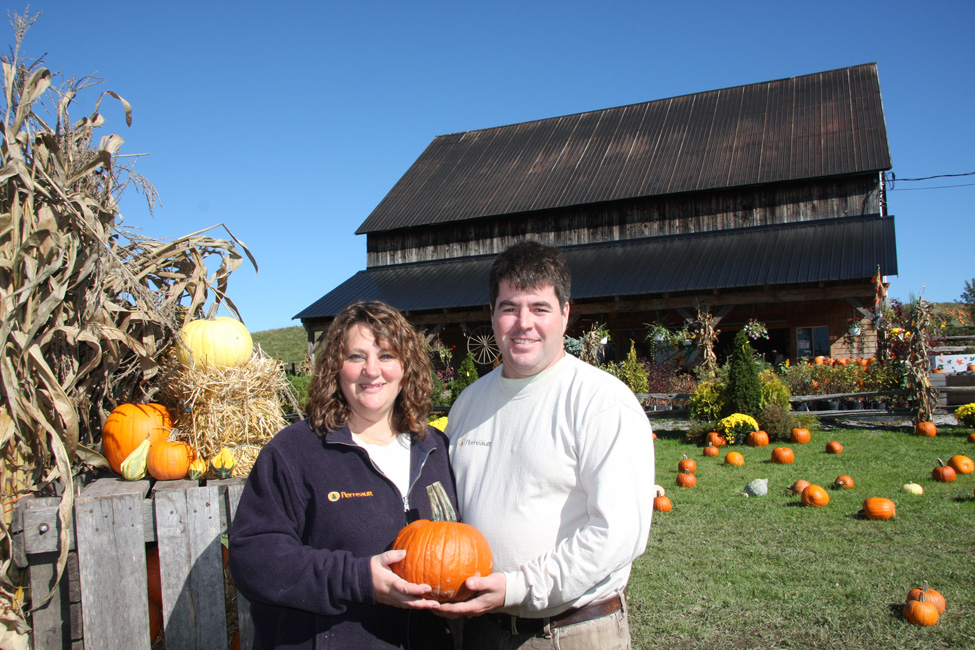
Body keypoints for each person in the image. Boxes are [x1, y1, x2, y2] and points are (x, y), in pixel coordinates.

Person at [441, 241, 655, 649]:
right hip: (480, 631)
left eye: (539, 308)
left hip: (569, 633)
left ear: (565, 314)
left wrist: (518, 587)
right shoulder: (468, 403)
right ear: (492, 315)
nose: (523, 323)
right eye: (509, 308)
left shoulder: (600, 401)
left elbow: (619, 533)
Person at [229, 300, 458, 649]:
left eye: (386, 356)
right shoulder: (296, 451)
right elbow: (254, 559)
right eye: (356, 357)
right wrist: (358, 579)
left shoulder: (435, 448)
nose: (371, 370)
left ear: (405, 367)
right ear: (335, 368)